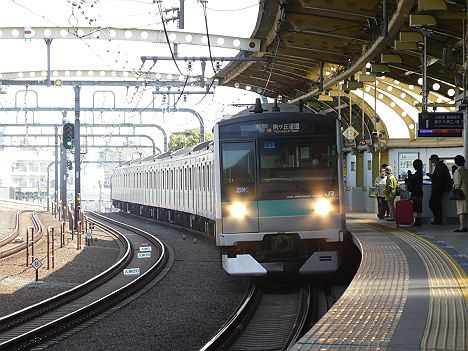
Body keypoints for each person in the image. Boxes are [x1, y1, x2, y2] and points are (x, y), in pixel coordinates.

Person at [427, 154, 452, 224]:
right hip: (439, 188)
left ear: (435, 159)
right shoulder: (440, 165)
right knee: (437, 204)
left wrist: (431, 176)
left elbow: (439, 177)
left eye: (432, 160)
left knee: (433, 203)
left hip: (438, 188)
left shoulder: (440, 166)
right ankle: (438, 219)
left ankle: (438, 219)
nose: (431, 161)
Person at [452, 155, 468, 232]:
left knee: (461, 210)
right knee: (466, 209)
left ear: (456, 162)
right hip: (466, 191)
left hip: (461, 192)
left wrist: (455, 188)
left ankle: (461, 227)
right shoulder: (465, 170)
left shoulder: (457, 171)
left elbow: (457, 183)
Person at [406, 159, 423, 226]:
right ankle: (418, 221)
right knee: (418, 207)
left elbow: (412, 179)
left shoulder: (418, 173)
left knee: (415, 207)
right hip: (419, 192)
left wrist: (409, 174)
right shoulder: (420, 173)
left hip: (415, 192)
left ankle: (417, 221)